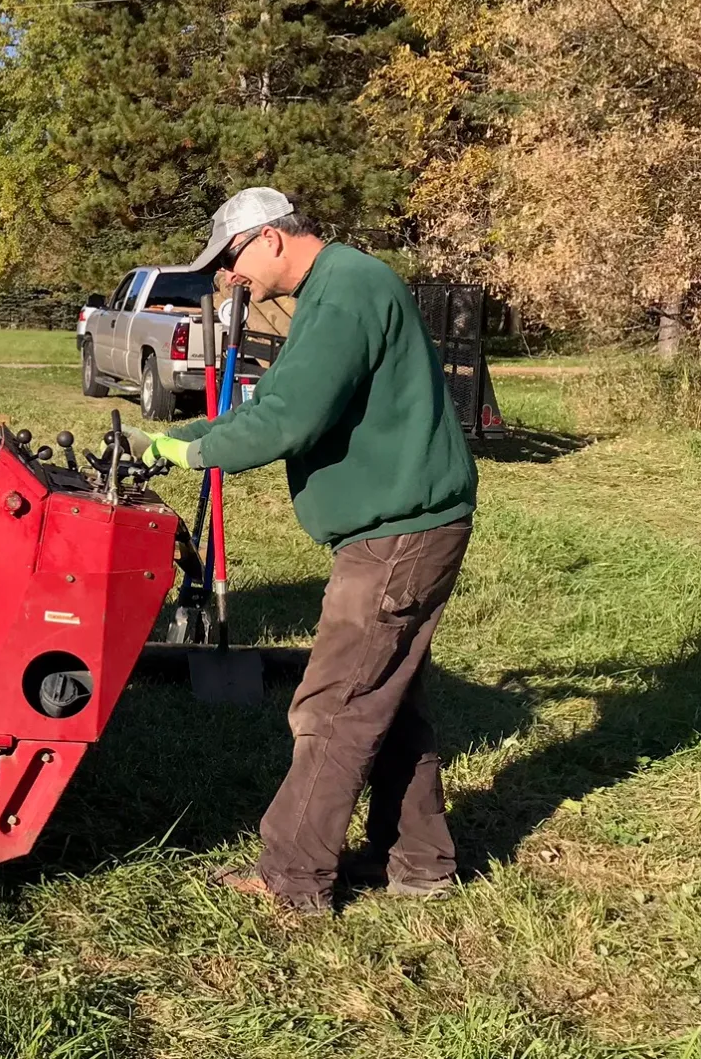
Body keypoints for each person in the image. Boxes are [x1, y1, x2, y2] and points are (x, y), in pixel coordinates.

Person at [135, 187, 478, 913]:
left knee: (332, 704)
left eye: (231, 258)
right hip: (400, 524)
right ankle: (419, 860)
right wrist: (180, 440)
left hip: (399, 532)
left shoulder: (347, 291)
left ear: (272, 238)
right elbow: (271, 402)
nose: (231, 276)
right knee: (386, 699)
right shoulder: (333, 290)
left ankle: (292, 875)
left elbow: (288, 421)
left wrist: (196, 455)